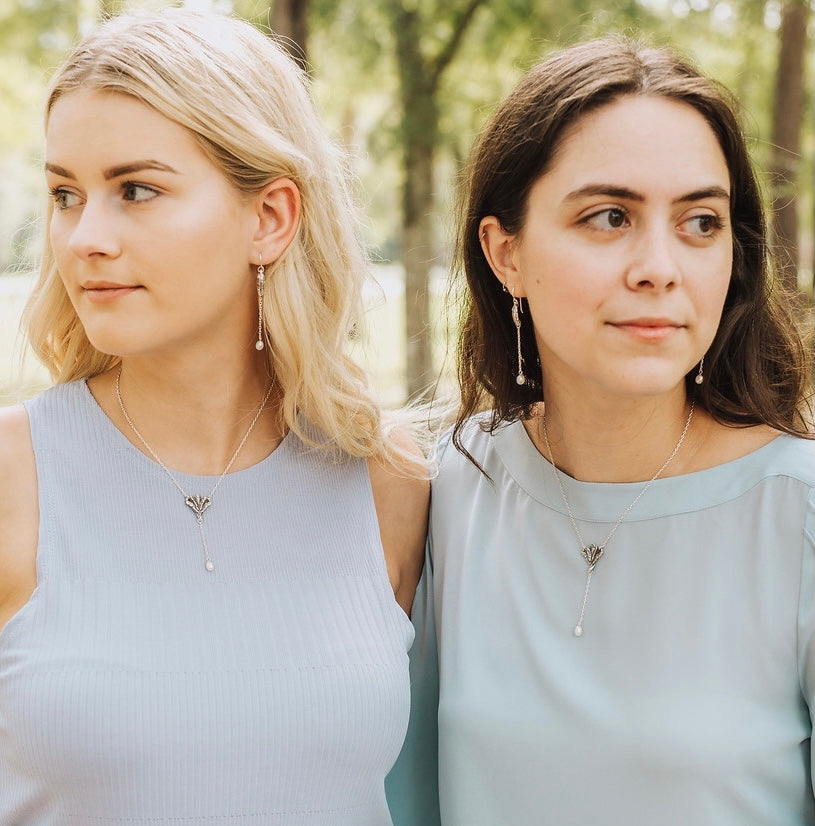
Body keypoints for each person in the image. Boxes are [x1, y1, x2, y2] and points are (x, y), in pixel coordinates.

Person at [0, 8, 429, 824]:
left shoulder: (385, 477)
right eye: (65, 194)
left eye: (136, 190)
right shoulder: (12, 475)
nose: (84, 236)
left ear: (269, 218)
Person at [389, 36, 815, 825]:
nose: (660, 266)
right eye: (609, 216)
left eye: (699, 222)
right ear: (505, 252)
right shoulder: (445, 490)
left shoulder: (798, 517)